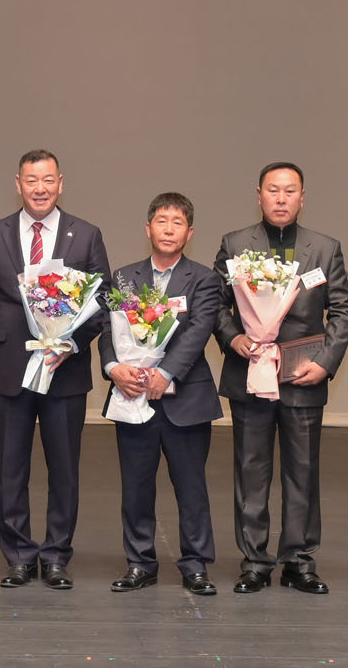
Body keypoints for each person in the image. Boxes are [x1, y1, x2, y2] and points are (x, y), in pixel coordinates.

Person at [0, 149, 111, 590]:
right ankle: (17, 555)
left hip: (64, 370)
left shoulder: (85, 235)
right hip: (8, 368)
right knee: (10, 468)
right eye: (31, 180)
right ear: (18, 184)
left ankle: (55, 556)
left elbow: (102, 302)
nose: (40, 188)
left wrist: (72, 343)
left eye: (48, 180)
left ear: (61, 183)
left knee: (64, 470)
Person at [213, 162, 348, 596]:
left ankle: (299, 561)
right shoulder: (235, 244)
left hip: (303, 375)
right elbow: (215, 304)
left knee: (303, 472)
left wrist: (325, 362)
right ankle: (255, 562)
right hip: (251, 373)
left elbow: (342, 309)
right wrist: (233, 338)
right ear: (258, 194)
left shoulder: (325, 248)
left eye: (290, 191)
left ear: (302, 197)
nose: (280, 198)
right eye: (273, 190)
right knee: (250, 471)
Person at [100, 192, 224, 595]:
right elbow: (107, 331)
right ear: (148, 228)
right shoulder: (123, 277)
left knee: (191, 487)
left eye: (177, 222)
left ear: (190, 232)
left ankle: (196, 565)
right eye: (161, 221)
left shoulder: (204, 279)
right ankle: (140, 563)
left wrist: (165, 373)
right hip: (132, 395)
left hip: (186, 400)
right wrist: (114, 368)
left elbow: (198, 331)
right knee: (136, 487)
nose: (169, 229)